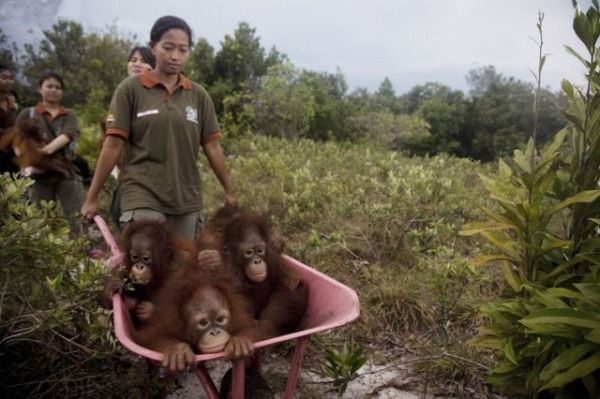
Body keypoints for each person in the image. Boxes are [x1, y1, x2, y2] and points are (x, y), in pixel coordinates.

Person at [81, 16, 236, 240]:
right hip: (142, 194)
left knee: (182, 270)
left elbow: (212, 147)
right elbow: (112, 145)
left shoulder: (198, 95)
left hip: (186, 199)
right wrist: (92, 197)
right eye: (168, 47)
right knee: (146, 264)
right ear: (153, 47)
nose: (175, 56)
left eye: (183, 50)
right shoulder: (130, 90)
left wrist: (229, 191)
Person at [15, 72, 85, 230]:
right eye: (49, 86)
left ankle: (82, 250)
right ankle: (44, 253)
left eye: (58, 87)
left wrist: (43, 151)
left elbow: (66, 136)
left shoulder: (68, 115)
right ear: (40, 89)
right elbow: (17, 139)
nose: (53, 90)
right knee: (39, 218)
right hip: (37, 175)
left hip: (65, 171)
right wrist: (25, 158)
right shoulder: (28, 113)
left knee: (75, 215)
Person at [107, 46, 156, 227]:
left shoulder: (156, 95)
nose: (137, 64)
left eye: (143, 60)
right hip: (127, 173)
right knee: (117, 212)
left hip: (150, 174)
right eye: (133, 60)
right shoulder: (122, 93)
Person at [0, 64, 20, 174]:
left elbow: (13, 124)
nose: (9, 81)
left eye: (11, 78)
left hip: (10, 146)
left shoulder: (11, 101)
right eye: (4, 78)